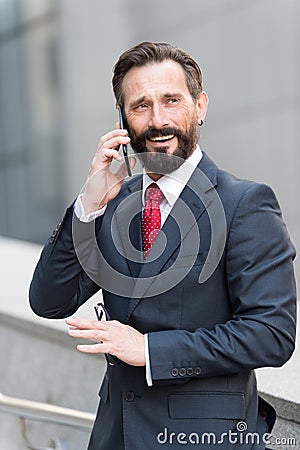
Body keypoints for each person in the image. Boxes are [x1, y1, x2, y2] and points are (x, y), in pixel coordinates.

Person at [29, 42, 297, 450]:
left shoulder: (245, 204)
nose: (158, 121)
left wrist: (150, 350)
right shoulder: (112, 204)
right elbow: (49, 300)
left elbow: (271, 333)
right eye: (141, 106)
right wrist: (87, 205)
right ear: (123, 119)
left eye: (171, 101)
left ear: (200, 106)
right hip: (115, 436)